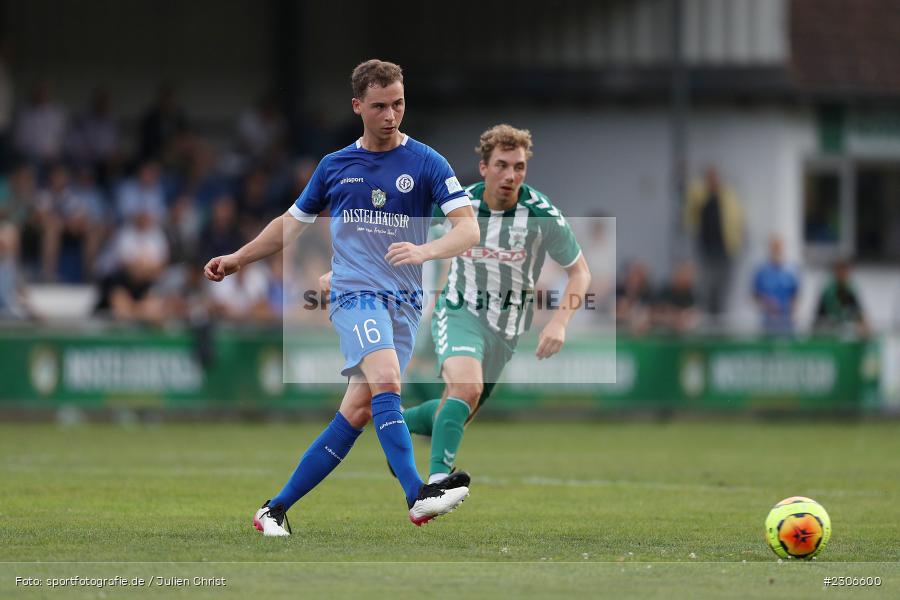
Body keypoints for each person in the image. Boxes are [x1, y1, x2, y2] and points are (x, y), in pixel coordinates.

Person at [203, 59, 479, 536]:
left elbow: (468, 229)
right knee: (389, 378)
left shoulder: (428, 162)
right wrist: (239, 258)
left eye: (398, 104)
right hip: (353, 294)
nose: (391, 115)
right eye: (379, 106)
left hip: (405, 304)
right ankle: (417, 494)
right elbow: (289, 225)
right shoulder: (335, 166)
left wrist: (425, 249)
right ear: (358, 107)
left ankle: (274, 509)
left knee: (356, 411)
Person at [389, 124, 591, 485]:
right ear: (484, 168)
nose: (510, 175)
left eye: (519, 167)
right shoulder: (459, 205)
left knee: (455, 410)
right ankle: (437, 484)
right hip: (460, 312)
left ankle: (394, 427)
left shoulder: (541, 215)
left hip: (507, 330)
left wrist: (559, 322)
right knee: (466, 389)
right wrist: (343, 271)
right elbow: (400, 233)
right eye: (501, 165)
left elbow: (580, 273)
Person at [684, 167, 744, 318]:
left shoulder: (728, 196)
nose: (713, 181)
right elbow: (689, 214)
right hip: (705, 251)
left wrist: (738, 240)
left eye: (715, 178)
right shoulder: (699, 196)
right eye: (709, 178)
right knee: (705, 289)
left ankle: (720, 323)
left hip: (725, 250)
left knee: (722, 290)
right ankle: (706, 322)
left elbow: (738, 219)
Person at [753, 234, 799, 334]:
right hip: (768, 322)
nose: (776, 250)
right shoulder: (762, 272)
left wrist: (793, 312)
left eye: (778, 247)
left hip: (786, 321)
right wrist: (767, 303)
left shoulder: (791, 271)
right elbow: (755, 295)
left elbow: (795, 295)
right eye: (774, 247)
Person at [813, 259, 868, 337]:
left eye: (846, 271)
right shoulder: (829, 290)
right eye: (841, 271)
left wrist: (864, 325)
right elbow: (821, 316)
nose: (844, 274)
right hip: (827, 326)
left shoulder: (849, 289)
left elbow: (857, 310)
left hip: (842, 326)